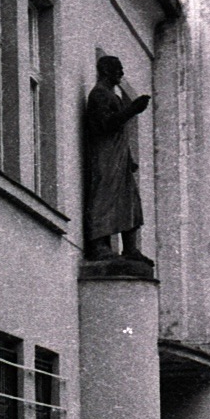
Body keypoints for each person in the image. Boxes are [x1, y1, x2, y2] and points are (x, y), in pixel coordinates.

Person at [84, 55, 151, 264]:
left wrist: (129, 158)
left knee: (129, 198)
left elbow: (121, 132)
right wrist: (133, 110)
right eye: (118, 70)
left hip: (119, 154)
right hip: (105, 153)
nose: (121, 74)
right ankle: (99, 244)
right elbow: (105, 125)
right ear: (105, 71)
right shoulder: (99, 95)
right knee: (105, 194)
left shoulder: (116, 97)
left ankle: (130, 247)